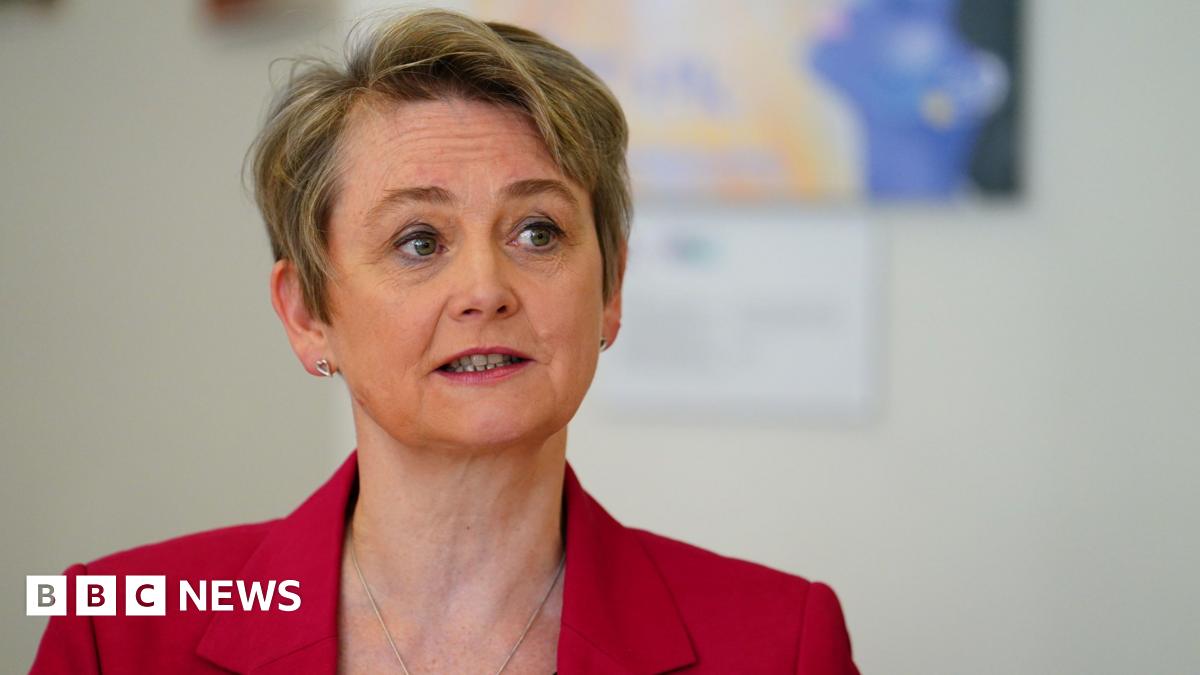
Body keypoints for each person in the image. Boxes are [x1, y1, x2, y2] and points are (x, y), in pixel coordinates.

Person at [30, 9, 858, 674]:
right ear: (307, 312)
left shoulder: (782, 641)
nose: (486, 291)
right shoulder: (116, 624)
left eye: (538, 231)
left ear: (610, 290)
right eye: (419, 241)